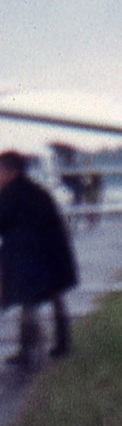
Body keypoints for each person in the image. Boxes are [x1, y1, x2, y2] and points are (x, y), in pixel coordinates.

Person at [0, 151, 78, 369]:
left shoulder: (11, 194)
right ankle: (62, 343)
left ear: (10, 171)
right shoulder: (36, 191)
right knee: (53, 298)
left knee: (29, 302)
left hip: (31, 259)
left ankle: (28, 352)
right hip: (52, 254)